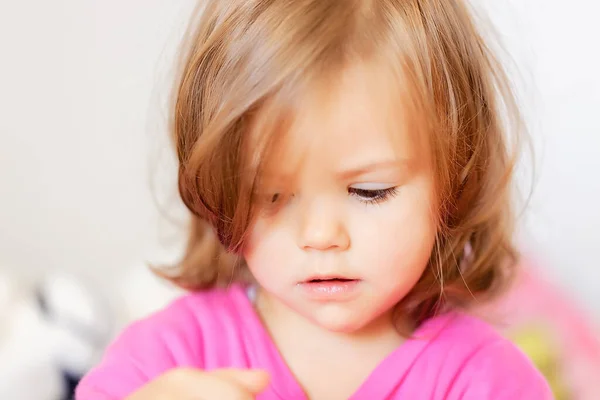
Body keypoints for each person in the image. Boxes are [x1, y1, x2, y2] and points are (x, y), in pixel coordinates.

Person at [76, 0, 552, 398]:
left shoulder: (487, 380)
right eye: (273, 196)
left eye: (370, 191)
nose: (321, 236)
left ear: (456, 180)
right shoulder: (166, 356)